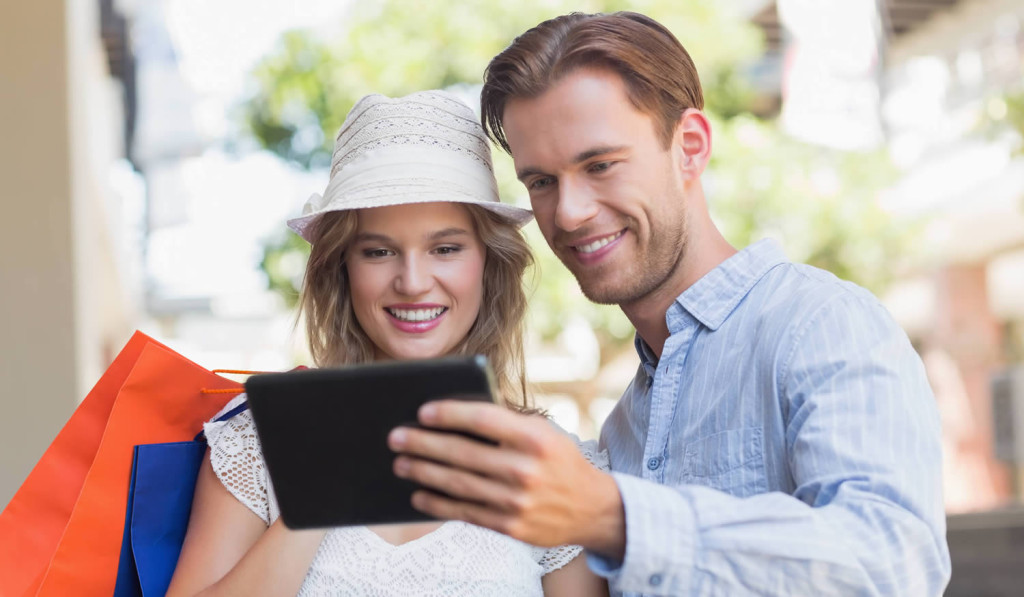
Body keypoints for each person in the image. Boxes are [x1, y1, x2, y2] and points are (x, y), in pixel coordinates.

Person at [387, 12, 952, 596]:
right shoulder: (622, 430)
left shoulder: (821, 326)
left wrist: (615, 517)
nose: (569, 212)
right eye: (541, 182)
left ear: (689, 147)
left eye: (600, 164)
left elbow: (895, 566)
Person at [166, 90, 608, 596]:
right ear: (343, 268)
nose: (413, 281)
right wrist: (315, 492)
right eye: (378, 251)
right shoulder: (259, 442)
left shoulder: (551, 462)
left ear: (488, 263)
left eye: (445, 248)